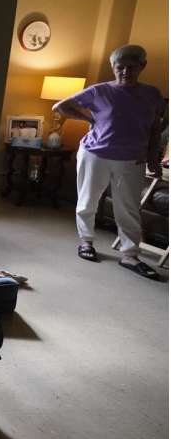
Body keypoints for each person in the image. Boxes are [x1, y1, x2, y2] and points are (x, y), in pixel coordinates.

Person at [53, 44, 166, 280]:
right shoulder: (100, 91)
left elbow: (155, 128)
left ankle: (130, 254)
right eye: (119, 67)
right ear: (112, 67)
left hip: (132, 159)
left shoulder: (152, 94)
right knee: (88, 200)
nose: (125, 71)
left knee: (129, 208)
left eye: (131, 67)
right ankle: (86, 242)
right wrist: (89, 118)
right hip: (95, 153)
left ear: (142, 66)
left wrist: (154, 158)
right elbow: (60, 106)